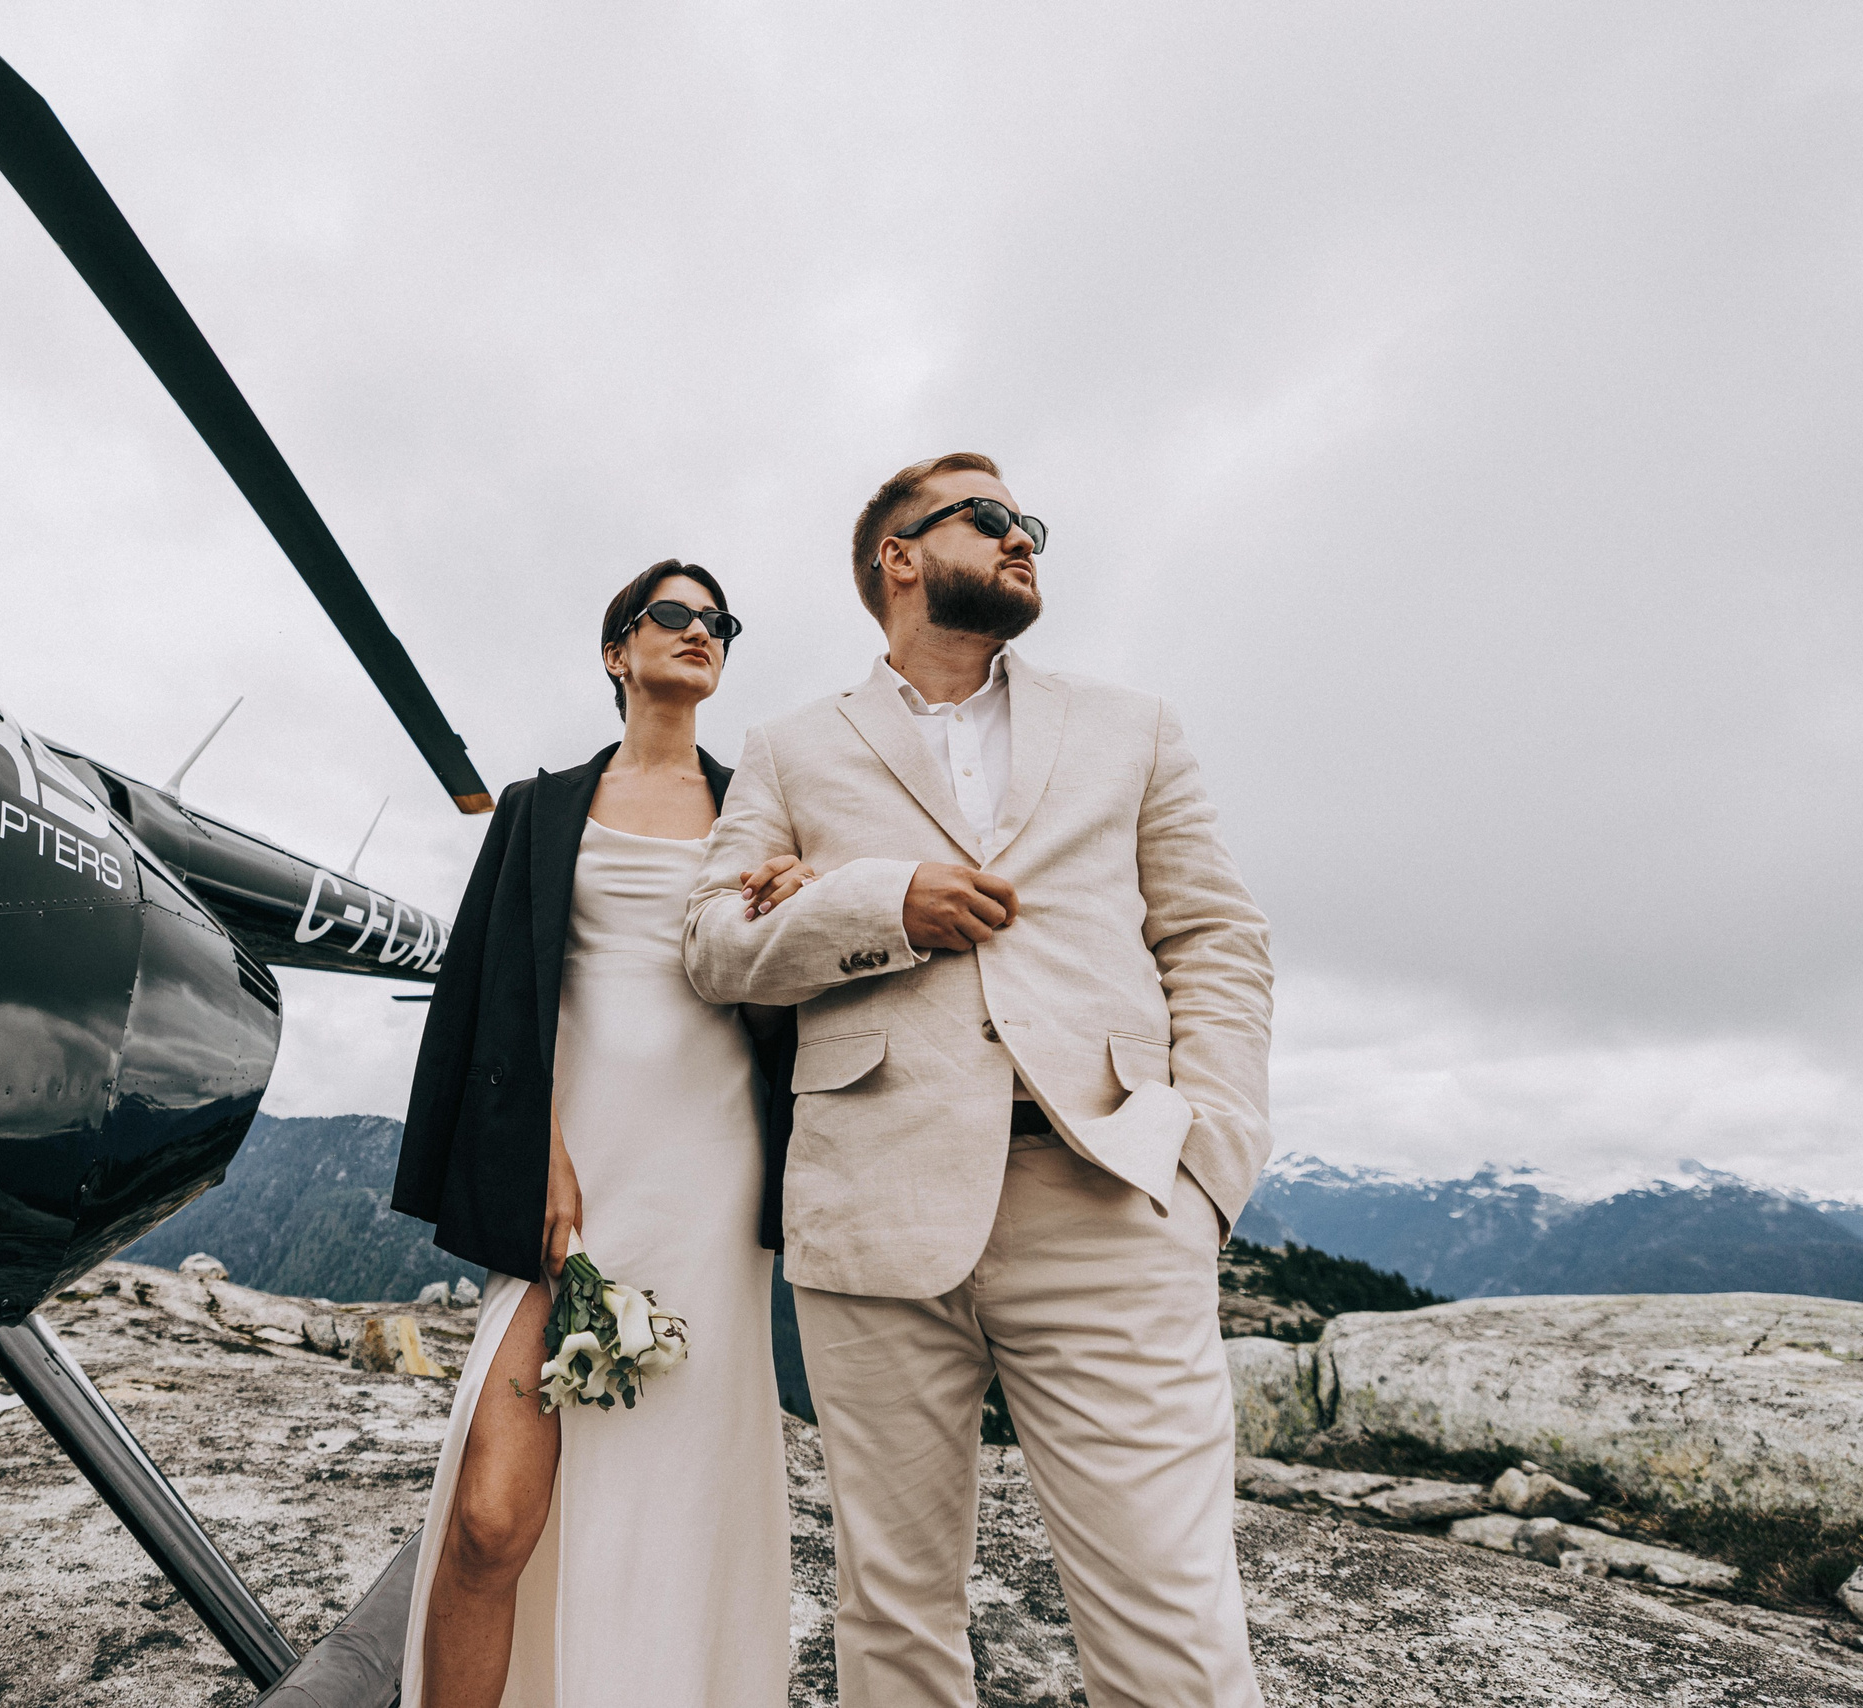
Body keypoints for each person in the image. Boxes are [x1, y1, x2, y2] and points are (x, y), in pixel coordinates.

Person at [685, 453, 1275, 1707]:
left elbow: (1214, 937)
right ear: (899, 555)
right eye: (993, 519)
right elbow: (712, 945)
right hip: (869, 1211)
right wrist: (876, 901)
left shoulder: (1135, 726)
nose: (1024, 542)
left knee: (1172, 1623)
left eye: (1030, 525)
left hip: (1108, 1193)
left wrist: (1208, 1162)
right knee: (891, 1618)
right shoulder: (788, 749)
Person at [391, 560, 809, 1708]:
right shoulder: (534, 811)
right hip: (566, 1181)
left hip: (712, 1187)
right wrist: (538, 1145)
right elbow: (485, 999)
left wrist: (794, 915)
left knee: (669, 1512)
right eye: (669, 614)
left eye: (715, 621)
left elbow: (782, 1016)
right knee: (490, 1517)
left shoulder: (763, 811)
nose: (697, 632)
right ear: (618, 651)